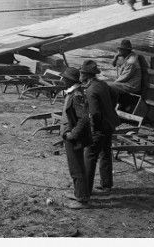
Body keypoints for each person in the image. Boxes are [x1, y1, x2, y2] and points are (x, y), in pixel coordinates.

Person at [80, 59, 119, 196]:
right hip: (109, 124)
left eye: (81, 73)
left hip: (99, 128)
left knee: (90, 157)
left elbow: (95, 113)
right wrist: (108, 108)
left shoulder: (90, 90)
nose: (80, 75)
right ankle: (106, 185)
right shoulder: (102, 84)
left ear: (86, 75)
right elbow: (114, 95)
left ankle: (85, 190)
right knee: (105, 153)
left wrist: (92, 130)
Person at [58, 66, 91, 209]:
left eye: (64, 78)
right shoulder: (72, 93)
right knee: (76, 167)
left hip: (74, 138)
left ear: (70, 80)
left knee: (76, 168)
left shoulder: (76, 95)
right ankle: (79, 193)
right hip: (70, 136)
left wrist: (73, 134)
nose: (62, 80)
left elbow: (84, 118)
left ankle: (82, 199)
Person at [108, 39, 144, 107]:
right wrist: (115, 57)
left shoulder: (131, 61)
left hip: (131, 86)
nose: (119, 51)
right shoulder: (124, 57)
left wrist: (113, 84)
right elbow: (113, 64)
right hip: (125, 84)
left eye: (121, 49)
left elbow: (123, 78)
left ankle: (111, 107)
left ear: (127, 50)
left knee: (107, 86)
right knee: (106, 85)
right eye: (119, 49)